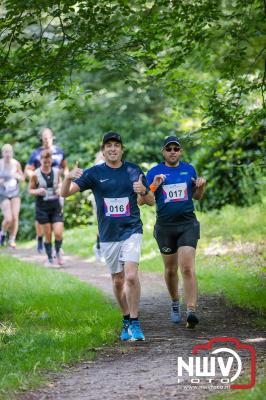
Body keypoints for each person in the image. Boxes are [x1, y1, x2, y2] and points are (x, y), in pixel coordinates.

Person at [61, 131, 154, 341]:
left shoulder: (133, 170)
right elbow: (64, 194)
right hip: (108, 235)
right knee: (117, 280)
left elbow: (150, 201)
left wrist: (144, 191)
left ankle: (136, 322)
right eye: (108, 145)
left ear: (122, 149)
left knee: (130, 276)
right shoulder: (94, 173)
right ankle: (126, 319)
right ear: (103, 150)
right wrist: (67, 178)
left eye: (116, 145)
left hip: (132, 230)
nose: (112, 148)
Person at [145, 136, 206, 329]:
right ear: (163, 152)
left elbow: (196, 196)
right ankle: (174, 302)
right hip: (165, 226)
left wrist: (201, 187)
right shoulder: (155, 172)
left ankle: (191, 311)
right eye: (169, 149)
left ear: (180, 152)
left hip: (187, 224)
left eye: (176, 149)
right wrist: (154, 184)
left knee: (187, 268)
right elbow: (144, 200)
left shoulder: (189, 169)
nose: (172, 152)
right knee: (171, 270)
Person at [25, 128, 68, 253]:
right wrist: (35, 177)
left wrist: (64, 182)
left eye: (48, 137)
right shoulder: (36, 153)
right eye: (44, 138)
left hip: (57, 188)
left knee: (58, 216)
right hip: (42, 188)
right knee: (42, 218)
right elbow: (28, 169)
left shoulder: (59, 151)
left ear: (52, 137)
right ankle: (41, 239)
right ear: (42, 139)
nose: (47, 140)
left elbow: (65, 168)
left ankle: (58, 246)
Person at [29, 149, 64, 266]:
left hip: (55, 206)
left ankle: (57, 252)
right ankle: (49, 259)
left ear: (51, 161)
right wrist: (37, 190)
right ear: (41, 161)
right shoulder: (35, 174)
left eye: (49, 161)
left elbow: (60, 184)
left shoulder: (57, 171)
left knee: (58, 233)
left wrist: (59, 188)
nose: (47, 163)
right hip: (42, 207)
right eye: (44, 161)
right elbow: (30, 190)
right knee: (48, 234)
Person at [0, 144, 24, 248]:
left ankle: (12, 239)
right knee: (8, 218)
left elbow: (22, 178)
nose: (8, 154)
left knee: (15, 217)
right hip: (3, 193)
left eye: (9, 152)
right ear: (2, 153)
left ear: (12, 153)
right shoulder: (0, 164)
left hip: (15, 192)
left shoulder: (16, 163)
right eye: (5, 152)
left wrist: (17, 176)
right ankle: (2, 233)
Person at [91, 150, 105, 262]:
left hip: (111, 199)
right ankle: (99, 248)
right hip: (99, 198)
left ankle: (100, 247)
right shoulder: (99, 165)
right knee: (103, 222)